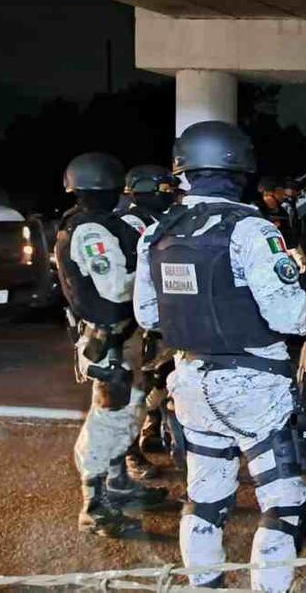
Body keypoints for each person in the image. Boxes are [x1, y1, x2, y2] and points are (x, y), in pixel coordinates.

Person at [134, 121, 306, 590]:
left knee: (205, 500)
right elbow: (287, 313)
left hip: (188, 379)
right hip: (254, 384)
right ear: (240, 167)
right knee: (283, 504)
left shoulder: (157, 233)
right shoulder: (249, 228)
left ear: (184, 168)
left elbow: (148, 315)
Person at [55, 153, 168, 537]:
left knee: (128, 412)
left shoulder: (97, 224)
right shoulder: (90, 231)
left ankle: (118, 483)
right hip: (108, 341)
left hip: (119, 335)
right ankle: (94, 506)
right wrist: (159, 272)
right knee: (107, 420)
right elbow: (115, 286)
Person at [120, 164, 179, 476]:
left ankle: (151, 429)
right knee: (132, 391)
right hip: (133, 323)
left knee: (163, 376)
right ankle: (129, 455)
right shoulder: (130, 224)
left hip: (160, 317)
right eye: (165, 189)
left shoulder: (158, 220)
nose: (170, 195)